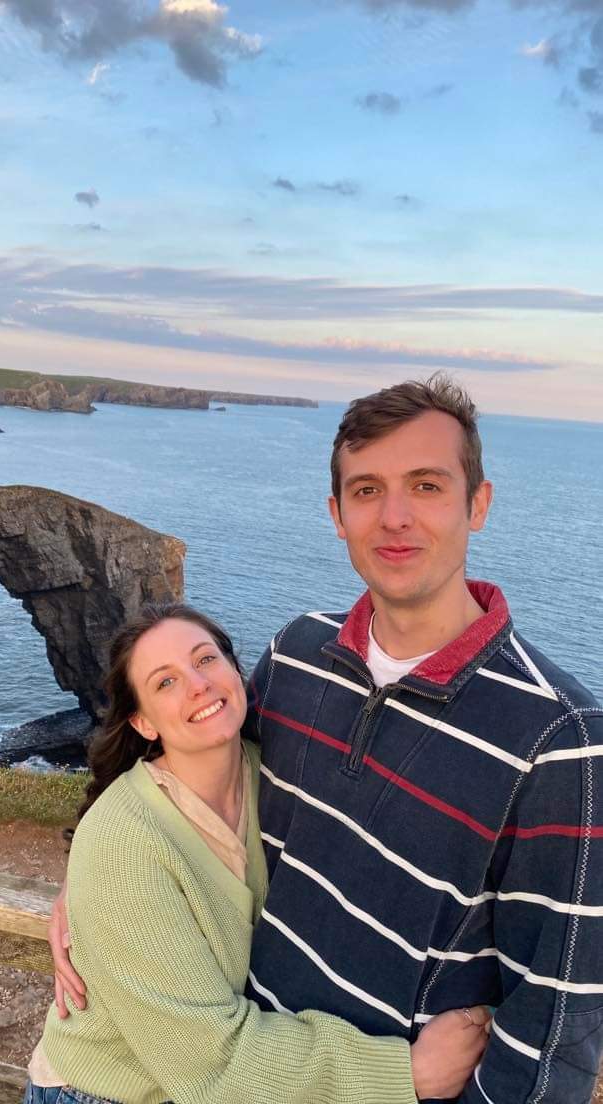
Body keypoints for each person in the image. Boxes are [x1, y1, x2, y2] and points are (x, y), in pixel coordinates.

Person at [51, 375, 603, 1103]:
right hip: (253, 1069)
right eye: (367, 490)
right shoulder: (296, 656)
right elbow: (186, 774)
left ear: (479, 504)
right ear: (337, 514)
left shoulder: (560, 738)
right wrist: (88, 893)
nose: (395, 517)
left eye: (428, 486)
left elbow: (552, 1031)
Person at [30, 603, 490, 1104]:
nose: (198, 685)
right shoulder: (125, 843)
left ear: (235, 670)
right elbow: (214, 1059)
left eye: (205, 660)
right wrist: (406, 1074)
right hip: (106, 1093)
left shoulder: (279, 774)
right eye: (165, 682)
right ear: (142, 722)